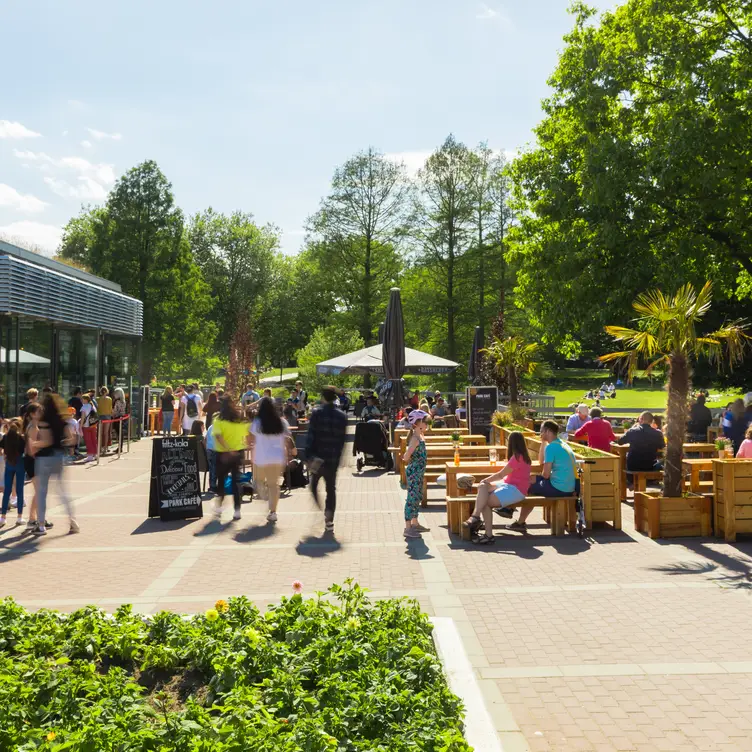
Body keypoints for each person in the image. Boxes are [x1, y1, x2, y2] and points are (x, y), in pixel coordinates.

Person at [463, 431, 532, 544]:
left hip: (516, 490)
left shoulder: (517, 458)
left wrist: (486, 479)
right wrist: (485, 481)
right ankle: (476, 517)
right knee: (482, 486)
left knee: (486, 501)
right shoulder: (524, 457)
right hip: (509, 485)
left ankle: (487, 534)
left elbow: (500, 474)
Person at [512, 421, 577, 531]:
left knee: (529, 485)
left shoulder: (551, 448)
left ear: (548, 431)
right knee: (531, 481)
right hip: (569, 486)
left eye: (541, 431)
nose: (540, 434)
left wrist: (537, 478)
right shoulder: (561, 444)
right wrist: (543, 442)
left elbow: (546, 475)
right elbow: (541, 461)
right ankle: (518, 519)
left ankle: (516, 516)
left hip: (559, 487)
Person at [31, 394, 78, 535]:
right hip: (59, 457)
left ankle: (41, 525)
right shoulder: (62, 420)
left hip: (44, 458)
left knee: (42, 492)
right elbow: (72, 439)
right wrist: (61, 444)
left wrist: (34, 444)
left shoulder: (44, 421)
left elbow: (47, 441)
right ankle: (73, 521)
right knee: (62, 491)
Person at [305, 386, 347, 532]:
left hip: (318, 457)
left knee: (313, 485)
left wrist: (308, 455)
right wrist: (340, 457)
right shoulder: (342, 416)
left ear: (323, 397)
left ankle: (320, 509)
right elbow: (342, 440)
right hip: (332, 458)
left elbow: (311, 436)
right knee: (331, 488)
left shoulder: (316, 413)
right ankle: (329, 519)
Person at [250, 396, 291, 524]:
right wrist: (287, 456)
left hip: (261, 458)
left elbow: (250, 439)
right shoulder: (282, 422)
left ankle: (264, 497)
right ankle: (273, 512)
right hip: (276, 457)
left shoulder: (256, 423)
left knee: (259, 481)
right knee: (274, 485)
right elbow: (287, 440)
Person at [212, 396, 250, 520]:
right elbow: (247, 434)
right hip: (238, 452)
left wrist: (228, 449)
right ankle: (237, 510)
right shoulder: (239, 420)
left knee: (221, 481)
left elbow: (218, 436)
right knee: (236, 482)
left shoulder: (218, 420)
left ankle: (219, 506)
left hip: (223, 453)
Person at [402, 410, 430, 539]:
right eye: (425, 421)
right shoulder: (415, 438)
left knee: (417, 496)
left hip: (419, 472)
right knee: (412, 498)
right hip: (414, 472)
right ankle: (408, 528)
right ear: (417, 424)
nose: (427, 423)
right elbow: (406, 456)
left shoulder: (420, 436)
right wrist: (406, 457)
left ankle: (415, 523)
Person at [0, 418, 26, 527]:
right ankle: (19, 517)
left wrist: (5, 455)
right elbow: (26, 451)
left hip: (9, 464)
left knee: (7, 492)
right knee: (20, 491)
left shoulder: (5, 437)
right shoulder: (22, 438)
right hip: (20, 464)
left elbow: (1, 449)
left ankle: (3, 518)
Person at [79, 394, 98, 462]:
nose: (81, 400)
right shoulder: (92, 406)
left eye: (82, 399)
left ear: (85, 400)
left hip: (86, 426)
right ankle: (95, 454)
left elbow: (83, 417)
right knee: (93, 439)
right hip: (93, 425)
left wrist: (80, 426)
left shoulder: (84, 407)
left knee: (88, 440)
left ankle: (90, 455)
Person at [97, 387, 113, 454]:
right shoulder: (109, 399)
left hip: (100, 416)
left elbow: (97, 408)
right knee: (106, 433)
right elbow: (110, 408)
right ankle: (105, 448)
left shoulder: (97, 399)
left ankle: (100, 448)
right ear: (106, 391)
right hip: (107, 416)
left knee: (100, 433)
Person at [112, 388, 127, 452]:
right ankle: (120, 447)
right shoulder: (123, 401)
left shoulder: (117, 401)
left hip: (117, 418)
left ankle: (119, 448)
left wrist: (112, 413)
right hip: (122, 418)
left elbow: (115, 411)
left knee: (118, 433)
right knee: (121, 433)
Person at [205, 421, 218, 493]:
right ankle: (214, 487)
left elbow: (205, 439)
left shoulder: (210, 427)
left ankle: (212, 486)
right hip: (215, 449)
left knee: (212, 468)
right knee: (215, 468)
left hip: (209, 449)